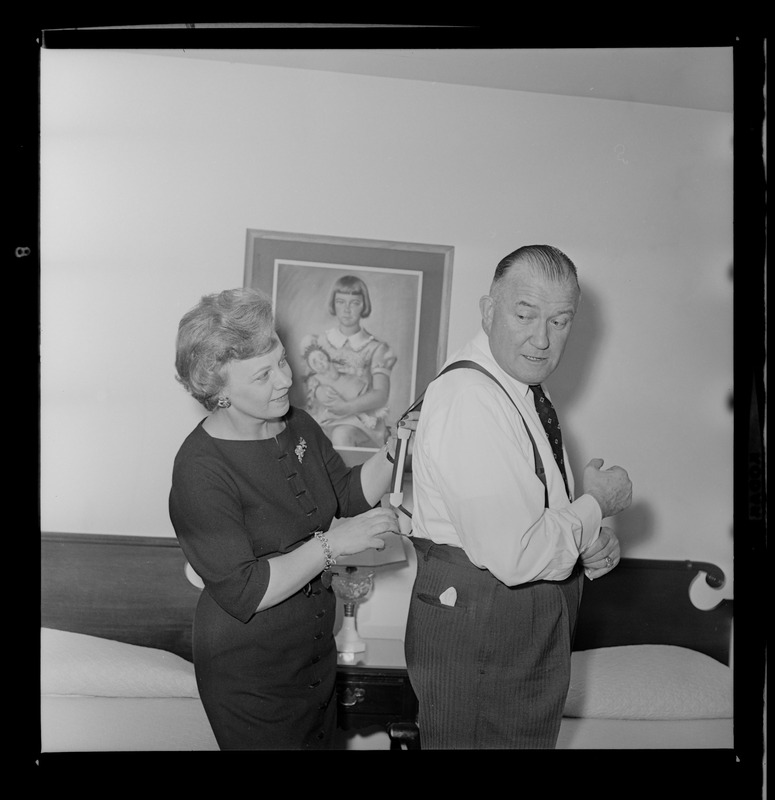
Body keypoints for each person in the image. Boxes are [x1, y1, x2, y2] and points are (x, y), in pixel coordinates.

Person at [404, 245, 632, 749]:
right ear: (488, 311)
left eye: (560, 320)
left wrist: (584, 539)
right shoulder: (472, 398)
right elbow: (515, 555)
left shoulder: (519, 388)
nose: (541, 338)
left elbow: (530, 521)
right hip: (486, 635)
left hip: (512, 633)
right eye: (525, 314)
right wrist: (595, 504)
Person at [168, 287, 417, 750]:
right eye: (263, 375)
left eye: (281, 361)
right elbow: (246, 588)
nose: (284, 380)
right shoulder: (200, 470)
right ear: (217, 391)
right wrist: (333, 545)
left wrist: (398, 446)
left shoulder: (297, 424)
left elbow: (345, 494)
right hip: (248, 672)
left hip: (311, 662)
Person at [300, 274, 396, 448]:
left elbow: (381, 395)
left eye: (354, 303)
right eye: (341, 302)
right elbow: (309, 383)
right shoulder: (319, 343)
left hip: (359, 421)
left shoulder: (376, 348)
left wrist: (347, 407)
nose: (347, 309)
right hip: (323, 416)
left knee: (341, 434)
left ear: (364, 305)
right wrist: (318, 391)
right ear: (333, 304)